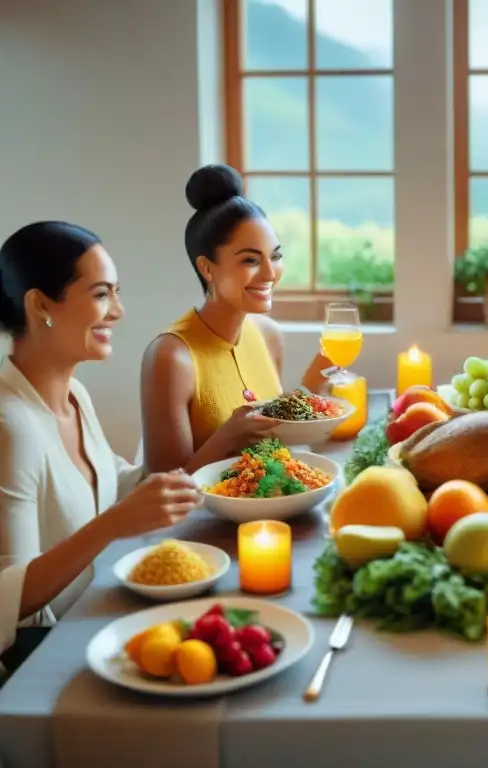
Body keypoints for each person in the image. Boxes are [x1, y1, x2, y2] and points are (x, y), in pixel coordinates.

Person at [0, 222, 201, 678]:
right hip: (39, 668)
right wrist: (112, 526)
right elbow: (9, 599)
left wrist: (217, 444)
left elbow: (117, 484)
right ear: (40, 305)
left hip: (96, 629)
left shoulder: (74, 396)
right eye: (101, 294)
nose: (119, 311)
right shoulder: (10, 427)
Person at [140, 164, 331, 474]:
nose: (270, 273)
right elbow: (162, 490)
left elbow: (271, 443)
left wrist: (315, 387)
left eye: (276, 256)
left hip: (271, 508)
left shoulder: (269, 335)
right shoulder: (171, 357)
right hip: (204, 520)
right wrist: (226, 437)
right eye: (251, 260)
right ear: (207, 268)